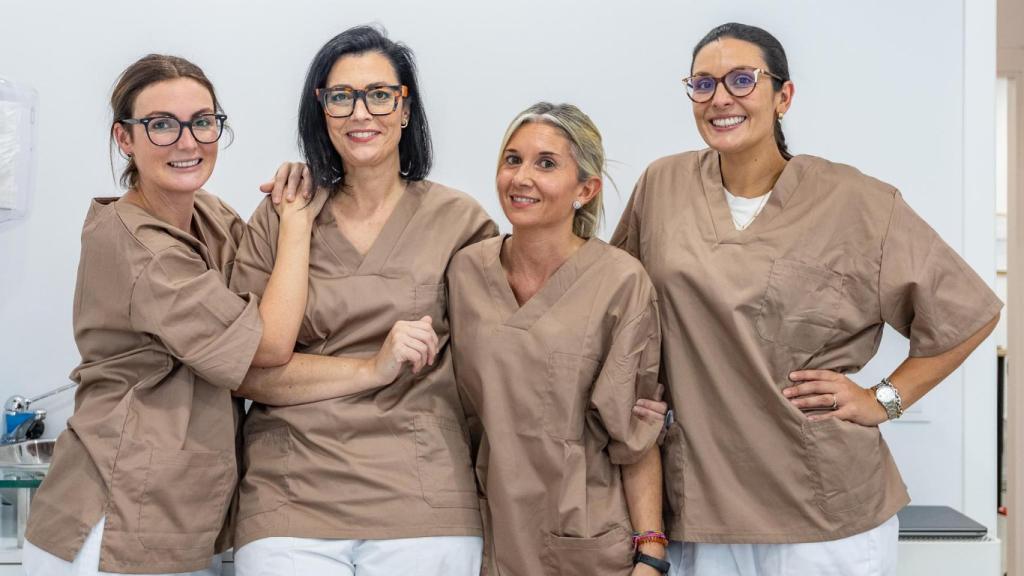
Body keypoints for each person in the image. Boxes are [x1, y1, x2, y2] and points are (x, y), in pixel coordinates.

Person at [611, 22, 1002, 576]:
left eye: (742, 80)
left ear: (783, 96)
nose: (720, 98)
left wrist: (883, 398)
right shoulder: (662, 186)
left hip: (825, 510)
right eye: (703, 84)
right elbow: (619, 306)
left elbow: (969, 313)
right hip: (701, 505)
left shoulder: (857, 202)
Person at [23, 54, 323, 576]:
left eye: (202, 122)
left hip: (174, 516)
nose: (188, 142)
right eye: (161, 125)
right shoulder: (143, 249)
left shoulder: (206, 212)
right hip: (115, 524)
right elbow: (268, 346)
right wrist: (296, 225)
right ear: (125, 139)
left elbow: (265, 283)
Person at [228, 26, 497, 576]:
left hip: (423, 496)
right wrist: (374, 369)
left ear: (404, 108)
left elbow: (495, 363)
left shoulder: (460, 222)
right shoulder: (284, 213)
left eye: (378, 94)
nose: (360, 113)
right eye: (341, 96)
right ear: (321, 109)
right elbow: (244, 370)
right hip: (291, 496)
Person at [449, 102, 670, 576]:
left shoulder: (620, 283)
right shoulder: (465, 271)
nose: (521, 177)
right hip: (482, 531)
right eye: (512, 160)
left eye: (545, 164)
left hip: (585, 534)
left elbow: (634, 433)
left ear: (585, 189)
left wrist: (651, 553)